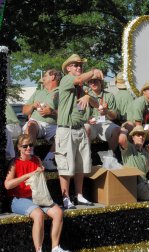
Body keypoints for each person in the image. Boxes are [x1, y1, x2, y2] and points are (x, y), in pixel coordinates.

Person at [4, 134, 70, 252]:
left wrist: (40, 173)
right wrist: (28, 175)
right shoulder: (14, 163)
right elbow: (7, 185)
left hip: (36, 196)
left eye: (31, 145)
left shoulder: (37, 160)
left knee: (58, 212)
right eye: (25, 146)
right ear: (19, 148)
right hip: (17, 199)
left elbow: (40, 183)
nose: (29, 148)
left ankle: (55, 248)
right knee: (38, 214)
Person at [55, 54, 102, 209]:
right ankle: (66, 198)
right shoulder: (67, 79)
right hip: (66, 130)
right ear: (68, 68)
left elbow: (97, 105)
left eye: (80, 65)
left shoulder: (82, 87)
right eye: (75, 65)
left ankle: (79, 195)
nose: (79, 67)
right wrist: (94, 71)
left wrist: (88, 98)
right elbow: (80, 79)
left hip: (79, 129)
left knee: (81, 166)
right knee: (65, 167)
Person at [22, 69, 61, 170]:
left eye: (45, 76)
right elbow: (24, 111)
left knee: (65, 133)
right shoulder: (38, 92)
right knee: (31, 125)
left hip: (54, 125)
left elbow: (68, 114)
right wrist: (32, 106)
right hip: (37, 123)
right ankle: (30, 159)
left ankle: (48, 160)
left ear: (52, 77)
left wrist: (52, 112)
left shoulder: (62, 92)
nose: (43, 79)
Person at [85, 78, 121, 151]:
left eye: (95, 81)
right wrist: (87, 119)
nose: (93, 83)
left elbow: (114, 116)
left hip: (105, 123)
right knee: (85, 128)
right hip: (91, 124)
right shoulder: (86, 96)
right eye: (90, 82)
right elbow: (80, 113)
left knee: (117, 129)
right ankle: (87, 157)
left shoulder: (109, 95)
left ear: (100, 82)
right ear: (88, 84)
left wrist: (107, 111)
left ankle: (110, 156)